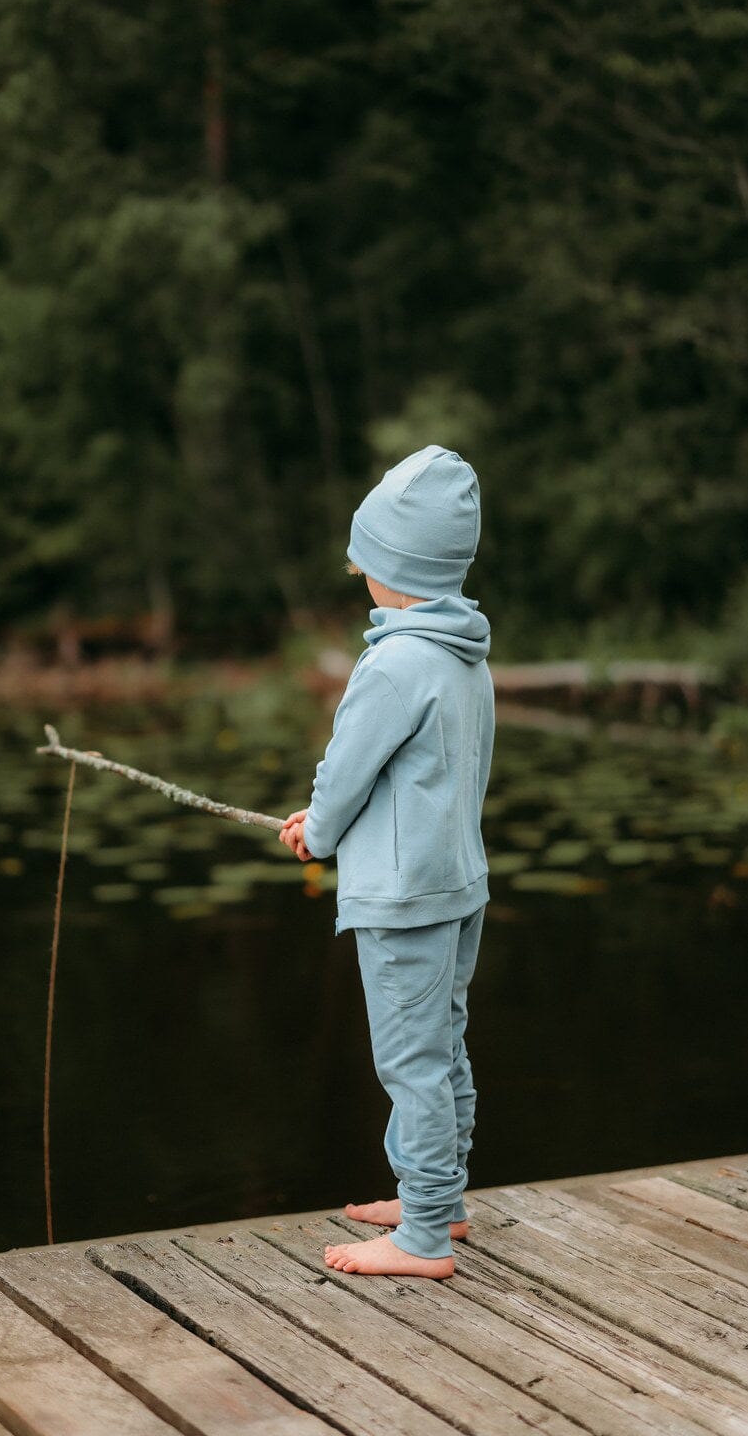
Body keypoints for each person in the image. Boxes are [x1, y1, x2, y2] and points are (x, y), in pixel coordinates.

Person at [279, 444, 494, 1279]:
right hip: (455, 884)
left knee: (410, 1060)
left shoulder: (392, 664)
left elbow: (344, 774)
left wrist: (318, 832)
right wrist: (331, 819)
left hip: (404, 899)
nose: (356, 570)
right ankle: (437, 1199)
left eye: (363, 558)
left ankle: (423, 1238)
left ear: (393, 570)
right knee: (444, 1046)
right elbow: (426, 780)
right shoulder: (462, 658)